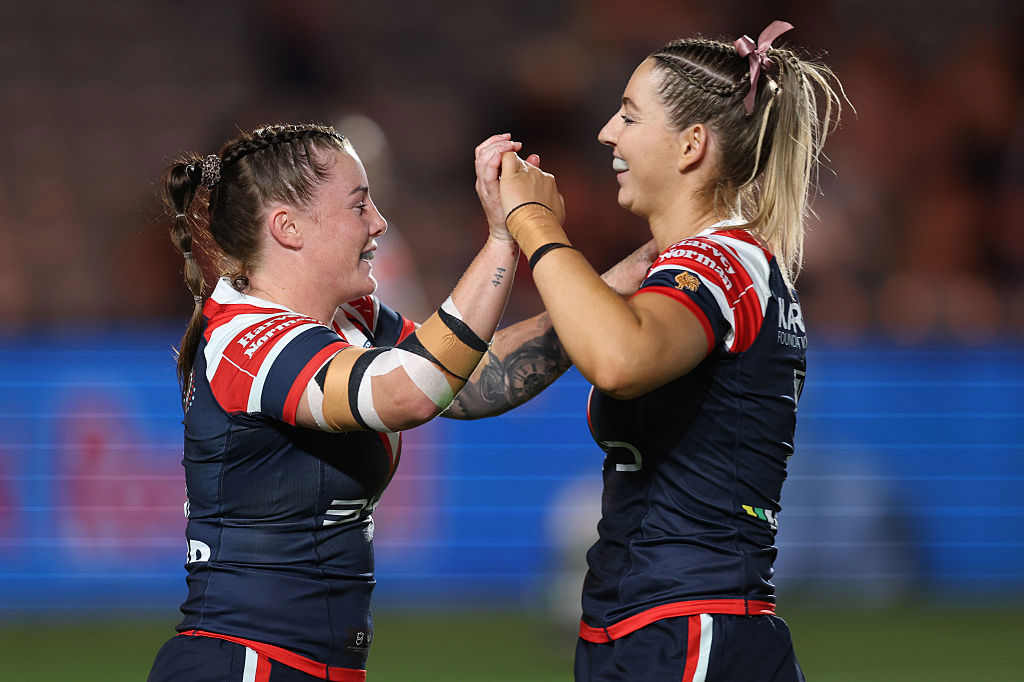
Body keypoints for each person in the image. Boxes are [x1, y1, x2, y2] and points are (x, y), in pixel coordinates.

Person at [469, 20, 844, 682]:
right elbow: (475, 384)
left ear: (692, 145)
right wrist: (505, 237)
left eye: (629, 115)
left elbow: (618, 360)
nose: (606, 133)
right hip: (645, 623)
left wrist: (535, 223)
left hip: (690, 627)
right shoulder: (677, 270)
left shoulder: (722, 263)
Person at [146, 124, 530, 682]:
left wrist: (610, 297)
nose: (379, 223)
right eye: (358, 205)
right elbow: (412, 390)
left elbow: (473, 379)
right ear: (288, 226)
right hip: (246, 663)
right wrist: (502, 237)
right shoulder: (248, 341)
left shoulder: (351, 317)